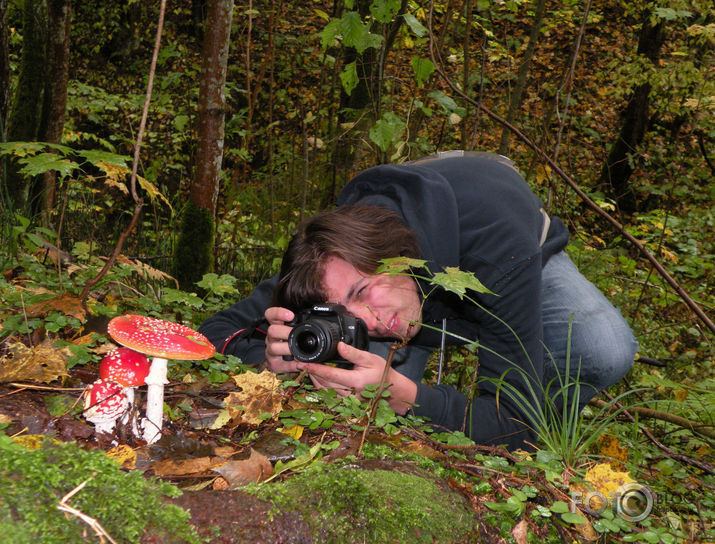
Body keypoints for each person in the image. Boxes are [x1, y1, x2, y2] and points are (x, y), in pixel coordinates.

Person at [199, 152, 637, 450]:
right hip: (416, 280)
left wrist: (405, 396)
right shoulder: (340, 260)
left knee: (605, 347)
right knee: (354, 407)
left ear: (397, 255)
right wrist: (269, 360)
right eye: (345, 309)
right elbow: (213, 333)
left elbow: (512, 422)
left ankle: (553, 442)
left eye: (364, 292)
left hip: (510, 254)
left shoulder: (496, 248)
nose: (372, 324)